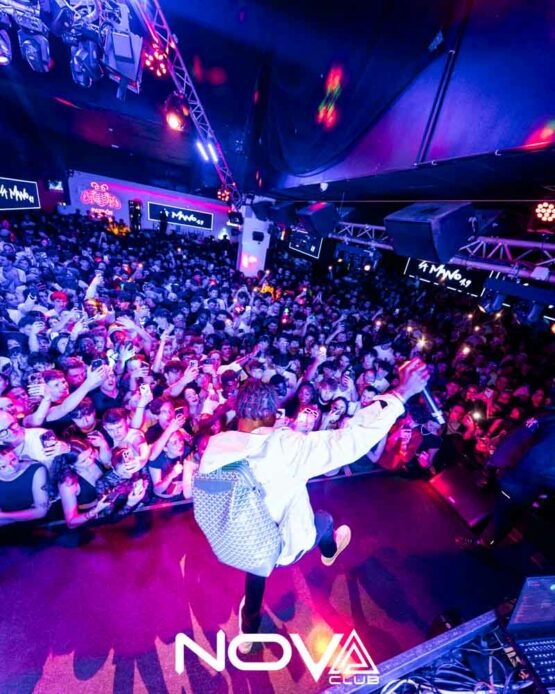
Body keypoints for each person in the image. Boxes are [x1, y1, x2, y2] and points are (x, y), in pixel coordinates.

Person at [198, 358, 429, 652]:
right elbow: (349, 441)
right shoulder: (290, 447)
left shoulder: (217, 447)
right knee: (324, 520)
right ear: (271, 413)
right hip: (283, 547)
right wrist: (400, 394)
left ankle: (248, 631)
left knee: (256, 575)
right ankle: (329, 552)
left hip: (240, 544)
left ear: (239, 410)